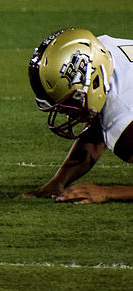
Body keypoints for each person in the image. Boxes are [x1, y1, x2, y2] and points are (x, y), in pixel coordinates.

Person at [22, 28, 133, 203]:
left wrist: (108, 192)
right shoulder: (100, 52)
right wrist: (58, 182)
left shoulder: (125, 120)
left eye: (71, 102)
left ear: (93, 82)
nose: (67, 113)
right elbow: (95, 133)